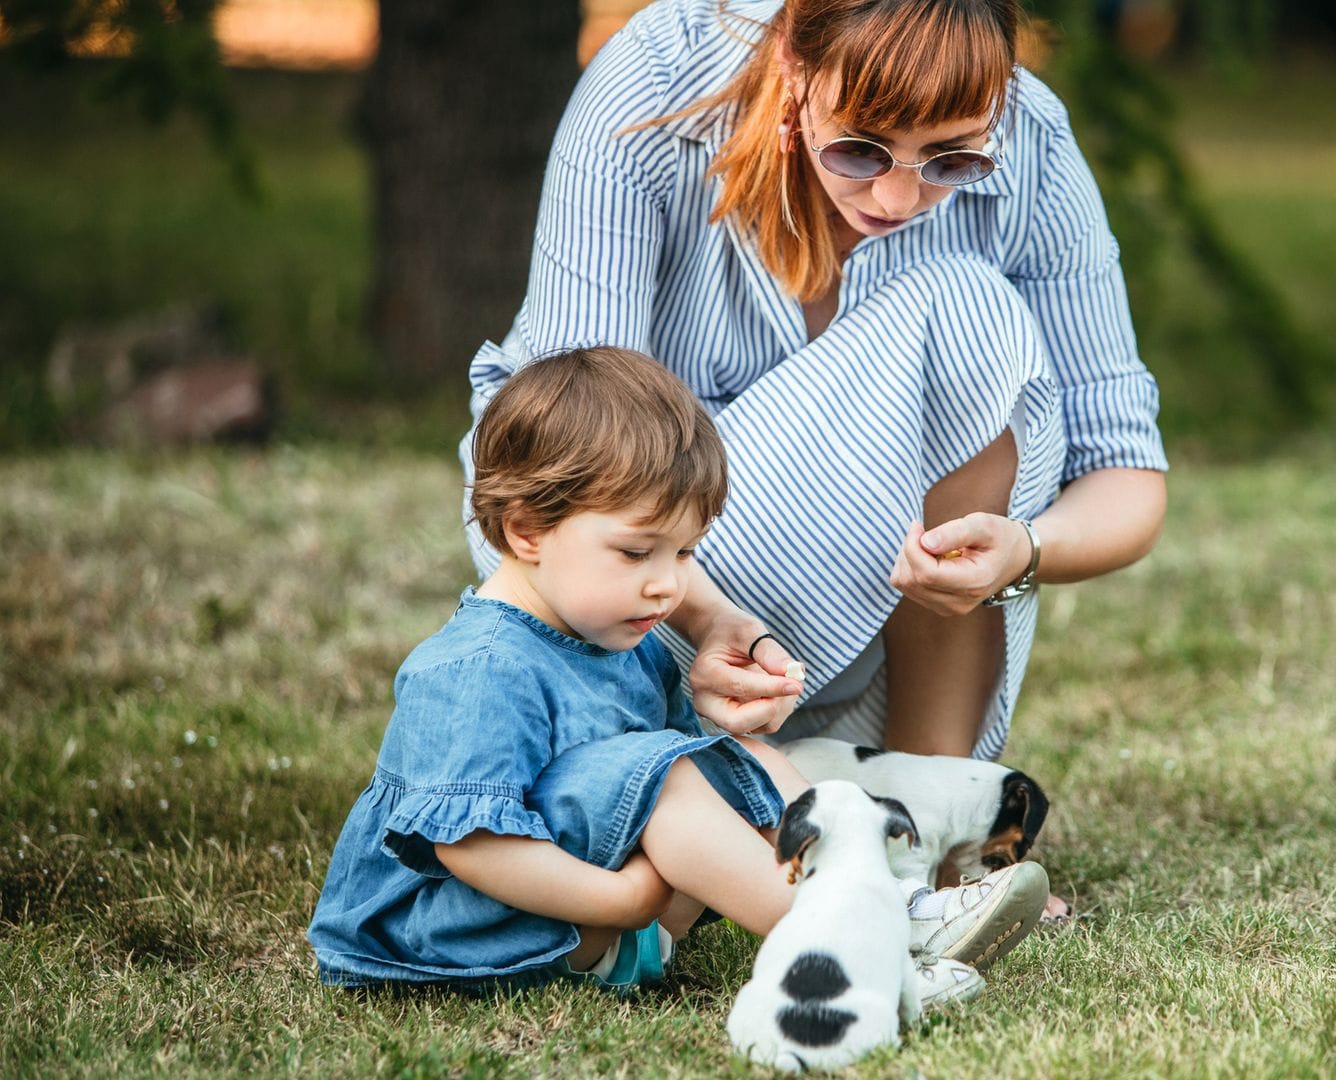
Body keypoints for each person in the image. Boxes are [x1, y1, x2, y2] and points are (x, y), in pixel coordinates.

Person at [462, 0, 1166, 768]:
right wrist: (706, 617)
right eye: (861, 151)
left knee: (972, 313)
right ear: (793, 60)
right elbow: (573, 440)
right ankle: (682, 778)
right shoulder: (656, 80)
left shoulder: (1032, 135)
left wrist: (1026, 549)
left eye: (951, 160)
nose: (897, 201)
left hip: (849, 618)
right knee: (959, 309)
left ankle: (932, 804)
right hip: (623, 566)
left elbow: (1124, 473)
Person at [310, 346, 1047, 992]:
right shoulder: (478, 668)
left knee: (743, 756)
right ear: (525, 529)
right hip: (460, 934)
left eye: (686, 553)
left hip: (598, 914)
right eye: (638, 552)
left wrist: (739, 768)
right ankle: (864, 950)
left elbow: (707, 786)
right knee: (665, 776)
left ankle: (891, 902)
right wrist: (623, 902)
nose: (668, 584)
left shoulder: (624, 637)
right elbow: (470, 846)